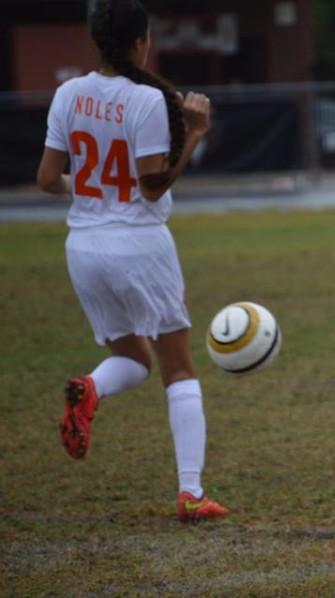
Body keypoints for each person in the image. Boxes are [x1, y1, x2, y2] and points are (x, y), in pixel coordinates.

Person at [36, 0, 228, 522]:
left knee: (135, 359)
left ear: (96, 41)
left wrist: (96, 195)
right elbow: (151, 185)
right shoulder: (146, 100)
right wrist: (194, 133)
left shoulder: (68, 93)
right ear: (143, 41)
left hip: (84, 247)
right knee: (179, 369)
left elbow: (47, 180)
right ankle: (190, 493)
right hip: (138, 245)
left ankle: (91, 387)